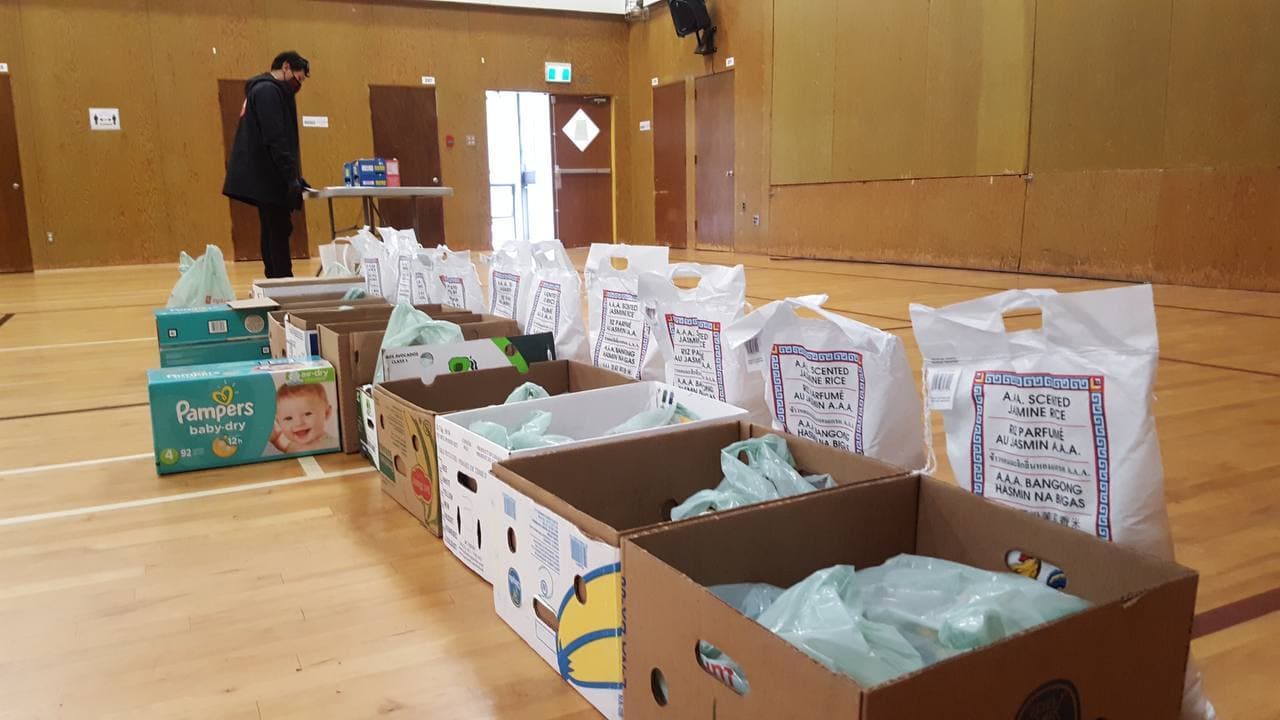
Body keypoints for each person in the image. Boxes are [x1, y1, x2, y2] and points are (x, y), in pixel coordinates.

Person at [223, 51, 312, 278]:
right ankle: (281, 281)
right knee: (277, 230)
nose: (297, 85)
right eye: (297, 79)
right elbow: (276, 138)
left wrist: (295, 177)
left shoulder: (264, 91)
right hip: (267, 176)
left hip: (267, 175)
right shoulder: (268, 92)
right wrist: (290, 176)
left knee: (274, 229)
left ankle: (276, 279)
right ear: (286, 67)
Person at [268, 382, 335, 454]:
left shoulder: (329, 443)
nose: (298, 423)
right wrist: (275, 440)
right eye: (288, 418)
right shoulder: (291, 444)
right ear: (278, 422)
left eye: (307, 414)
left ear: (326, 413)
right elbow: (285, 447)